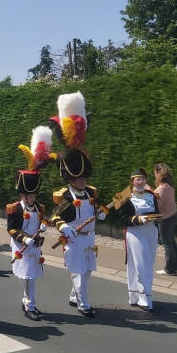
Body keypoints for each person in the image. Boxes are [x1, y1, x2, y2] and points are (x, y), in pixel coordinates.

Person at [47, 92, 108, 318]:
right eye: (79, 179)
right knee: (78, 272)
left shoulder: (91, 192)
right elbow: (54, 217)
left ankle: (74, 296)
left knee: (88, 270)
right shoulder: (64, 195)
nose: (83, 181)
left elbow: (97, 209)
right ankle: (84, 303)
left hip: (90, 237)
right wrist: (64, 227)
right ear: (71, 179)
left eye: (84, 178)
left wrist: (101, 214)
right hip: (73, 238)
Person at [7, 126, 54, 321]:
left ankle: (29, 301)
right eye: (29, 195)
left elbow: (42, 220)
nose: (32, 198)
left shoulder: (39, 207)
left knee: (33, 275)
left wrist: (44, 225)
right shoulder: (15, 208)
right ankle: (29, 305)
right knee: (28, 275)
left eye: (34, 195)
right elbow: (11, 229)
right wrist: (25, 240)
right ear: (22, 195)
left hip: (35, 245)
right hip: (22, 245)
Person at [118, 168, 161, 311]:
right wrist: (138, 219)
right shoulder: (125, 196)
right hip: (135, 232)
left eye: (143, 179)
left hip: (150, 232)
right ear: (132, 181)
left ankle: (137, 295)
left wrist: (155, 218)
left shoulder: (152, 196)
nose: (141, 181)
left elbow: (157, 213)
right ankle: (144, 297)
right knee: (140, 263)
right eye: (138, 179)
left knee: (149, 263)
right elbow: (122, 219)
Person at [154, 163, 177, 275]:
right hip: (173, 215)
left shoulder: (161, 189)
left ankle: (170, 269)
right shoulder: (169, 186)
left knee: (167, 244)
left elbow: (157, 205)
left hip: (165, 218)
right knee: (172, 242)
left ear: (158, 173)